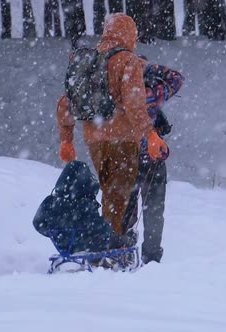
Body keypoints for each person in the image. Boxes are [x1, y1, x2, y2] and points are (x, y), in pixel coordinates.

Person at [56, 13, 168, 237]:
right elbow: (135, 104)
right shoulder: (127, 60)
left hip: (94, 140)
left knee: (111, 193)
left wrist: (67, 139)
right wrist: (150, 135)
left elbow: (65, 103)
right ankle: (110, 252)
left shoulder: (89, 59)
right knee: (119, 199)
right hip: (123, 140)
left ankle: (111, 247)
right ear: (129, 34)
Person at [123, 61, 184, 264]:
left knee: (125, 210)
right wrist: (149, 67)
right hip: (152, 157)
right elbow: (177, 78)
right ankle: (151, 257)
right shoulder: (154, 94)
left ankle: (124, 254)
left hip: (125, 158)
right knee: (154, 210)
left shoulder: (119, 95)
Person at [33, 160, 136, 255]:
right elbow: (98, 227)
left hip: (63, 246)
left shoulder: (51, 201)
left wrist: (55, 234)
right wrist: (111, 235)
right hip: (84, 245)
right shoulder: (82, 204)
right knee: (112, 240)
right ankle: (127, 241)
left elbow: (37, 222)